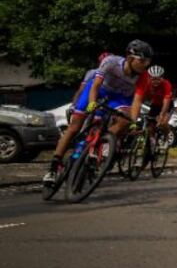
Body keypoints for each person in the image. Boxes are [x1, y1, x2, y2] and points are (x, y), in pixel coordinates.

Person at [44, 40, 155, 184]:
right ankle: (53, 167)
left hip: (120, 98)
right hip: (100, 90)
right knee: (74, 127)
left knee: (125, 121)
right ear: (130, 58)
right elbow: (95, 86)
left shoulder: (143, 77)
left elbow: (137, 102)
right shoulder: (111, 62)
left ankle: (104, 142)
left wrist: (133, 123)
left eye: (148, 62)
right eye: (142, 61)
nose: (145, 65)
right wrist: (91, 104)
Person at [143, 65, 174, 153]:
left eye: (158, 79)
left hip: (167, 105)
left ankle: (167, 136)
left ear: (162, 78)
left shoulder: (166, 84)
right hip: (155, 105)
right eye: (153, 79)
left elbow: (166, 101)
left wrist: (162, 114)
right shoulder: (146, 84)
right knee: (150, 127)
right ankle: (153, 142)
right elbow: (141, 97)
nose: (155, 81)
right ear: (149, 78)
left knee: (163, 122)